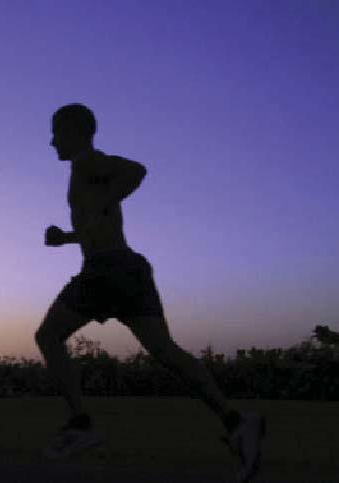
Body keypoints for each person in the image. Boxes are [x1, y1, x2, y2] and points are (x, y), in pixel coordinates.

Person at [35, 103, 266, 482]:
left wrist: (106, 203)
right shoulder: (86, 169)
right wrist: (68, 238)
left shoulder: (86, 161)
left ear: (75, 132)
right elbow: (101, 222)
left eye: (56, 132)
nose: (51, 141)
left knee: (47, 336)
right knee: (166, 352)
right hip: (128, 268)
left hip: (106, 271)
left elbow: (135, 171)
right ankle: (237, 421)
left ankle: (81, 423)